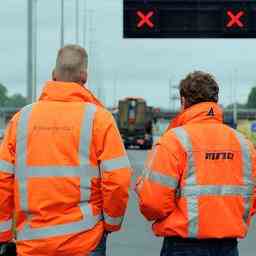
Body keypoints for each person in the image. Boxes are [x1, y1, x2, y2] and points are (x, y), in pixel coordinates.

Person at [0, 45, 132, 256]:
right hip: (85, 241)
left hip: (32, 244)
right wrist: (111, 223)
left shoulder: (21, 120)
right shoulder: (99, 119)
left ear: (53, 75)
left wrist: (4, 235)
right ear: (84, 77)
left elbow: (3, 180)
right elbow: (118, 179)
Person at [136, 71, 256, 256]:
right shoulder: (244, 145)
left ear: (183, 101)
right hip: (229, 247)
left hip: (182, 246)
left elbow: (153, 202)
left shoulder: (173, 141)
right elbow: (251, 197)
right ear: (215, 100)